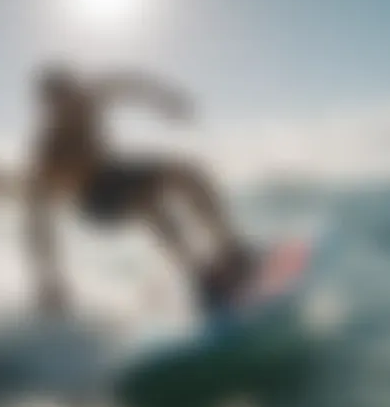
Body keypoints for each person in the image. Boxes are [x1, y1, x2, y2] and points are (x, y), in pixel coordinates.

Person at [24, 63, 253, 313]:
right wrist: (49, 280)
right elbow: (38, 220)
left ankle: (231, 249)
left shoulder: (90, 98)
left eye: (71, 96)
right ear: (49, 109)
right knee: (148, 205)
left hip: (115, 171)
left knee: (188, 174)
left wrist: (167, 100)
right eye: (59, 104)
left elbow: (129, 84)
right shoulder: (49, 150)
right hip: (93, 201)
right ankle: (199, 276)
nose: (70, 107)